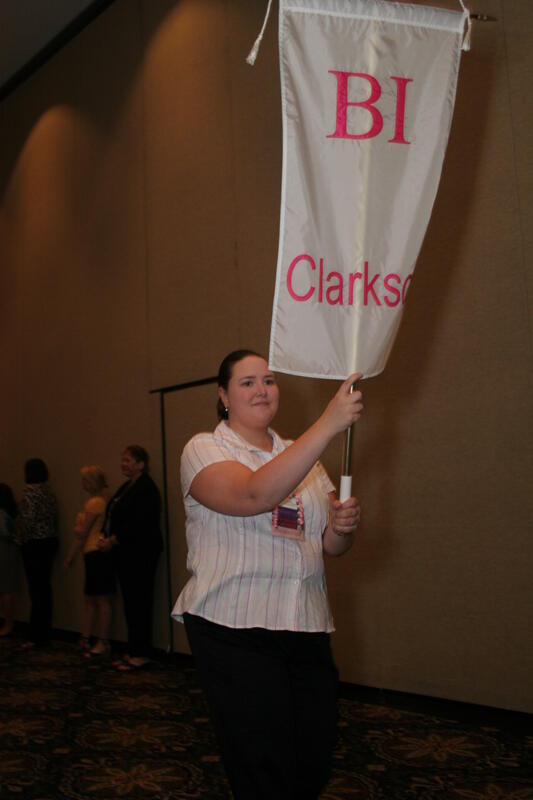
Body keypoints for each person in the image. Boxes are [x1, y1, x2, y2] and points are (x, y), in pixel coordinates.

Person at [172, 349, 363, 800]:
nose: (262, 390)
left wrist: (342, 528)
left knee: (313, 757)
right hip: (234, 626)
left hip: (306, 623)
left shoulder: (304, 458)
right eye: (247, 382)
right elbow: (253, 493)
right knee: (263, 764)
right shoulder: (204, 449)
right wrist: (329, 424)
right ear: (223, 395)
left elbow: (330, 546)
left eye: (270, 380)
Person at [98, 446, 162, 670]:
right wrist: (104, 536)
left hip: (140, 556)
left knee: (139, 603)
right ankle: (133, 648)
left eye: (128, 460)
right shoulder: (127, 487)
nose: (123, 464)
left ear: (141, 464)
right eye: (122, 460)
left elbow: (139, 523)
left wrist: (114, 540)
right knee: (130, 603)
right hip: (125, 555)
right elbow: (112, 513)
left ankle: (141, 653)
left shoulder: (146, 488)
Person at [64, 466, 115, 656]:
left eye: (85, 480)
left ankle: (101, 640)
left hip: (96, 553)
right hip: (93, 553)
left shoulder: (95, 503)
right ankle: (89, 638)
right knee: (92, 598)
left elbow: (81, 532)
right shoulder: (100, 501)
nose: (82, 484)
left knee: (99, 599)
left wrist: (71, 554)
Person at [16, 458, 58, 648]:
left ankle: (35, 634)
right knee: (44, 588)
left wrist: (19, 540)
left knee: (35, 589)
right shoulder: (48, 492)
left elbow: (28, 520)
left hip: (34, 543)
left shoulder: (30, 492)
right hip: (49, 541)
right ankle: (45, 631)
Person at [0, 483, 19, 637]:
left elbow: (4, 532)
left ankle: (8, 624)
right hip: (9, 550)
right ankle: (9, 623)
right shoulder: (11, 512)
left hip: (3, 550)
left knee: (5, 589)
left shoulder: (1, 514)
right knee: (7, 588)